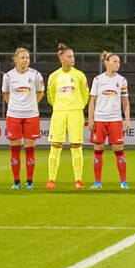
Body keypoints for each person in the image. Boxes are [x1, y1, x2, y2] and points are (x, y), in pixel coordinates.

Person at [46, 44, 90, 189]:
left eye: (73, 56)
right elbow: (51, 96)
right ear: (61, 58)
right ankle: (51, 180)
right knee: (56, 144)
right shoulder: (54, 76)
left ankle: (78, 180)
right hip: (59, 112)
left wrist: (77, 106)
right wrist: (59, 106)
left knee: (76, 145)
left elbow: (85, 95)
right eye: (69, 56)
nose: (72, 59)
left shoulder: (79, 75)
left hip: (75, 112)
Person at [2, 48, 44, 188]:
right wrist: (15, 105)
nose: (25, 60)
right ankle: (16, 181)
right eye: (22, 57)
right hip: (13, 115)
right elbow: (6, 94)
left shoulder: (36, 75)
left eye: (27, 57)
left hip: (31, 115)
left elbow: (40, 92)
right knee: (14, 147)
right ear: (15, 59)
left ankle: (30, 181)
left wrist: (31, 104)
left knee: (30, 148)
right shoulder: (8, 76)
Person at [88, 51, 130, 189]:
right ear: (106, 62)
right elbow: (92, 100)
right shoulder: (98, 80)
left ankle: (123, 181)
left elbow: (125, 101)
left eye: (118, 62)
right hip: (100, 119)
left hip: (115, 119)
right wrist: (91, 118)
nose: (117, 64)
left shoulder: (122, 80)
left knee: (118, 148)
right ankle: (97, 181)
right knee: (98, 148)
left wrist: (127, 119)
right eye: (114, 61)